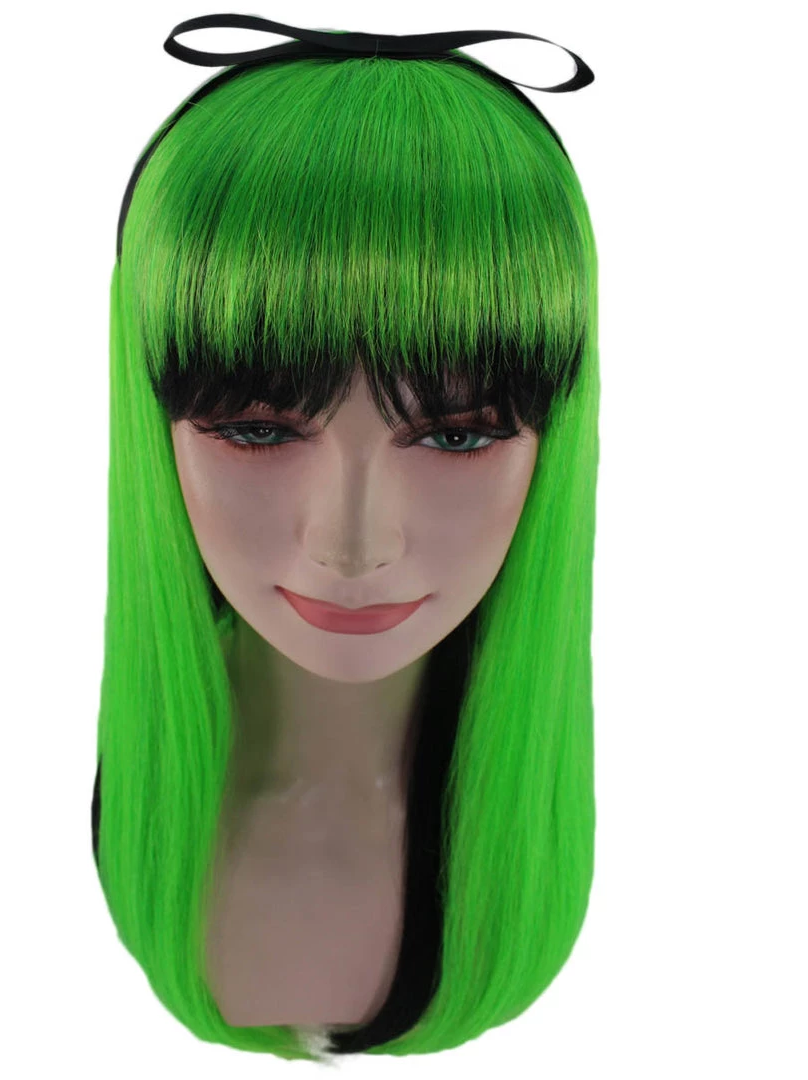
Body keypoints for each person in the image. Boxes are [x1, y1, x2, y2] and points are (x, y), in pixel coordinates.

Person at [92, 14, 600, 1062]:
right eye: (256, 429)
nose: (353, 544)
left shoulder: (523, 823)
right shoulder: (148, 807)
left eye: (455, 435)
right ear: (154, 427)